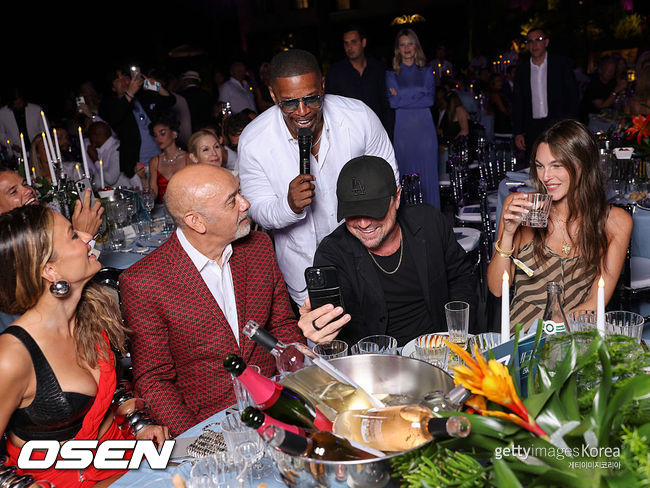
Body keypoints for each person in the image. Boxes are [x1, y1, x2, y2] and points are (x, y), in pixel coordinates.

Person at [119, 164, 306, 436]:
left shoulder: (259, 248)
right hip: (210, 424)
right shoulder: (145, 281)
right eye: (232, 201)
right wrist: (199, 439)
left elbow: (282, 325)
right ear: (196, 221)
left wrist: (299, 384)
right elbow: (154, 380)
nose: (246, 204)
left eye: (240, 193)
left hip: (279, 406)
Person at [0, 204, 169, 487]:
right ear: (49, 270)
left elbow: (110, 388)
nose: (87, 239)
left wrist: (139, 423)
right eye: (73, 235)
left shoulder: (90, 314)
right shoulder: (12, 355)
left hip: (121, 459)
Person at [237, 48, 398, 305]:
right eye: (290, 102)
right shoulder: (254, 140)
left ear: (323, 85)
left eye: (312, 99)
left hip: (371, 258)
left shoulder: (359, 117)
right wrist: (288, 206)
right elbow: (256, 209)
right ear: (273, 95)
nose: (302, 111)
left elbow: (390, 181)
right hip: (306, 270)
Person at [299, 155, 478, 347]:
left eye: (373, 211)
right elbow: (334, 326)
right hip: (376, 359)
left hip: (440, 348)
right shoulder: (333, 254)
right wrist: (322, 331)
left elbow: (461, 278)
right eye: (353, 213)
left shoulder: (429, 222)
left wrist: (457, 335)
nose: (363, 223)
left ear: (397, 198)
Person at [488, 119, 633, 332]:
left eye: (556, 165)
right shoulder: (525, 208)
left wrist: (549, 333)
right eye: (540, 166)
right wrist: (508, 233)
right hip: (519, 337)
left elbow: (595, 303)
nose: (546, 177)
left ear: (583, 165)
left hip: (574, 335)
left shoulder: (615, 222)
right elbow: (496, 289)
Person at [386, 28, 440, 209]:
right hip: (403, 134)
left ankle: (433, 221)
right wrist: (418, 94)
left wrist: (402, 96)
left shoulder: (427, 71)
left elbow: (429, 100)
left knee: (428, 179)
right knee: (406, 179)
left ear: (416, 46)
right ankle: (409, 223)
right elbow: (393, 103)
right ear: (397, 49)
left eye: (410, 43)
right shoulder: (391, 74)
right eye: (402, 45)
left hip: (425, 132)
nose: (407, 48)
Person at [99, 66, 176, 181]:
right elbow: (113, 117)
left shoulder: (144, 97)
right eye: (117, 79)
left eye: (125, 77)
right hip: (138, 166)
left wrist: (156, 86)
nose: (123, 81)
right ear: (113, 88)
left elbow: (170, 101)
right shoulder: (110, 105)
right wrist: (129, 93)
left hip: (161, 159)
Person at [511, 27, 579, 156]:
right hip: (532, 128)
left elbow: (573, 96)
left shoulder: (560, 65)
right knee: (534, 162)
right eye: (530, 41)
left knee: (560, 160)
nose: (534, 44)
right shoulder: (522, 71)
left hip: (558, 124)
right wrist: (518, 132)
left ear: (546, 42)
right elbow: (518, 102)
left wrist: (570, 125)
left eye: (538, 39)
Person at [0, 166, 103, 236]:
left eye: (25, 184)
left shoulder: (47, 226)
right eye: (13, 192)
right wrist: (82, 234)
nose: (28, 190)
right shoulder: (10, 249)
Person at [324, 25, 391, 132]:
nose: (349, 47)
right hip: (349, 131)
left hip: (378, 129)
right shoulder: (335, 72)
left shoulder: (378, 69)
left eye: (353, 42)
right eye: (346, 43)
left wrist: (388, 132)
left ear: (363, 43)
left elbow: (385, 104)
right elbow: (331, 106)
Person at [147, 115, 189, 203]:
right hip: (162, 209)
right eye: (155, 135)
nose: (158, 138)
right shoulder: (154, 162)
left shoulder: (189, 158)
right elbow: (152, 195)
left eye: (162, 133)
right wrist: (143, 179)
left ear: (174, 134)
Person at [0, 88, 46, 159]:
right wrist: (11, 144)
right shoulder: (3, 113)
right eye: (15, 104)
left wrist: (39, 144)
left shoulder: (36, 110)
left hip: (37, 150)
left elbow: (44, 129)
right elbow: (1, 134)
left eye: (20, 103)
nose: (18, 106)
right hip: (16, 153)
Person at [579, 55, 628, 122]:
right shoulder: (594, 84)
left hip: (607, 119)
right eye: (609, 70)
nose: (611, 73)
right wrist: (616, 91)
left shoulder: (612, 82)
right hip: (591, 121)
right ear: (600, 70)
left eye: (613, 70)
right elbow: (602, 107)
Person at [86, 120, 133, 189]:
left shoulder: (116, 149)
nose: (89, 139)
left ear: (95, 135)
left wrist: (95, 160)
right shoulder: (100, 149)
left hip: (120, 192)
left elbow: (110, 180)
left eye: (90, 136)